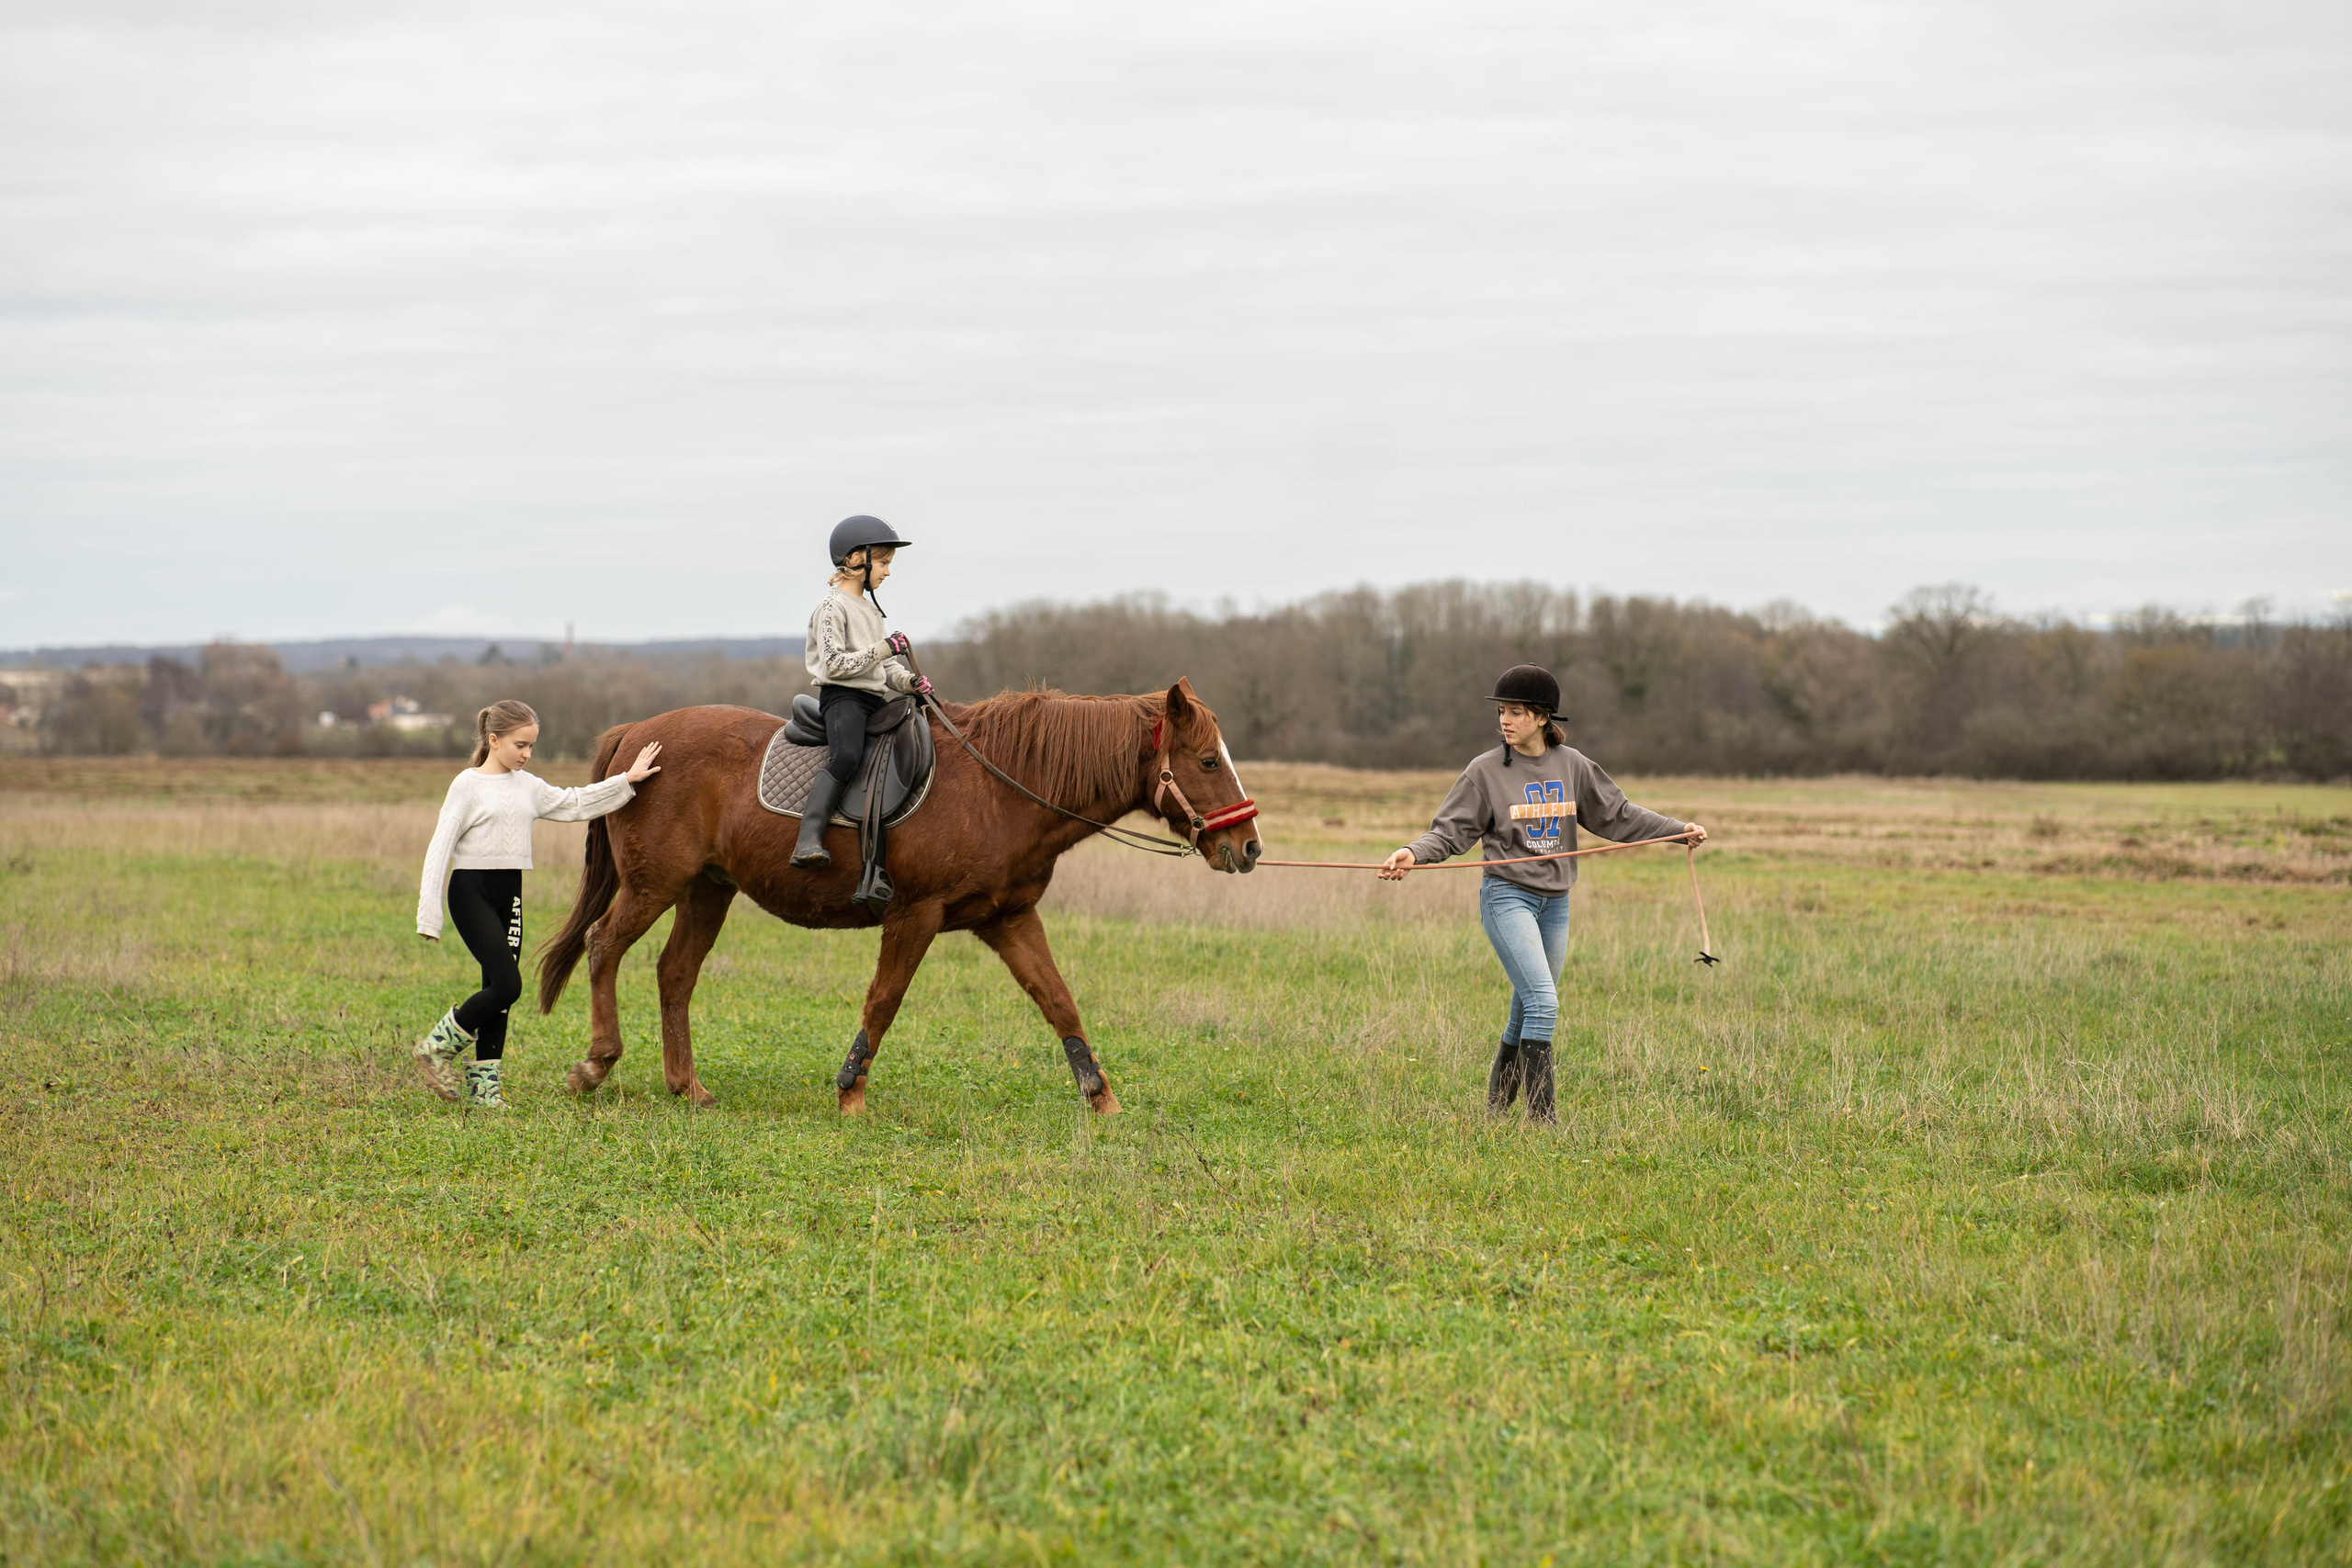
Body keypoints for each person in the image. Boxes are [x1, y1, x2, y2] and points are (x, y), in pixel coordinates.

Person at [1376, 664, 1707, 1124]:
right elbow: (1449, 832)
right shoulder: (1484, 771)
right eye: (1502, 713)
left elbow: (1620, 816)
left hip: (1556, 903)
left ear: (1541, 717)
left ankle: (1495, 1113)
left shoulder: (1574, 767)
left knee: (1526, 1004)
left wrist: (1677, 831)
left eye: (1515, 713)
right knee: (1544, 1002)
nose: (1505, 721)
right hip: (1506, 897)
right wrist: (1413, 853)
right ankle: (1542, 1122)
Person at [413, 700, 663, 1108]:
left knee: (497, 990)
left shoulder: (528, 786)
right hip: (470, 891)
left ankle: (484, 1089)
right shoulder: (467, 785)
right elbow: (440, 845)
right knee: (509, 985)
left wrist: (627, 780)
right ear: (494, 741)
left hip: (510, 893)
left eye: (531, 746)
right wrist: (430, 913)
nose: (527, 754)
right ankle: (436, 1048)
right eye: (520, 745)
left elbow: (576, 803)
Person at [793, 514, 933, 869]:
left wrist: (910, 683)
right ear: (857, 559)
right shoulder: (831, 608)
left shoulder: (871, 611)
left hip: (874, 700)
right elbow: (835, 664)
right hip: (843, 699)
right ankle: (808, 838)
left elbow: (884, 670)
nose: (887, 572)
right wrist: (886, 647)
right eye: (883, 563)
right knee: (847, 756)